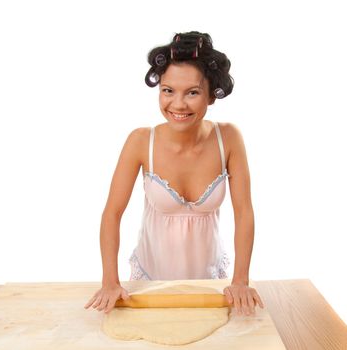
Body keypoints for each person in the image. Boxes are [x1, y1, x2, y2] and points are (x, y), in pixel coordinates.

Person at [84, 31, 264, 316]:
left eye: (192, 92)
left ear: (212, 95)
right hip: (149, 283)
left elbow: (244, 213)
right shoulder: (141, 141)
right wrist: (110, 281)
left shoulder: (228, 139)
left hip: (209, 283)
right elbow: (111, 214)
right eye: (168, 90)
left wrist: (240, 280)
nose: (178, 104)